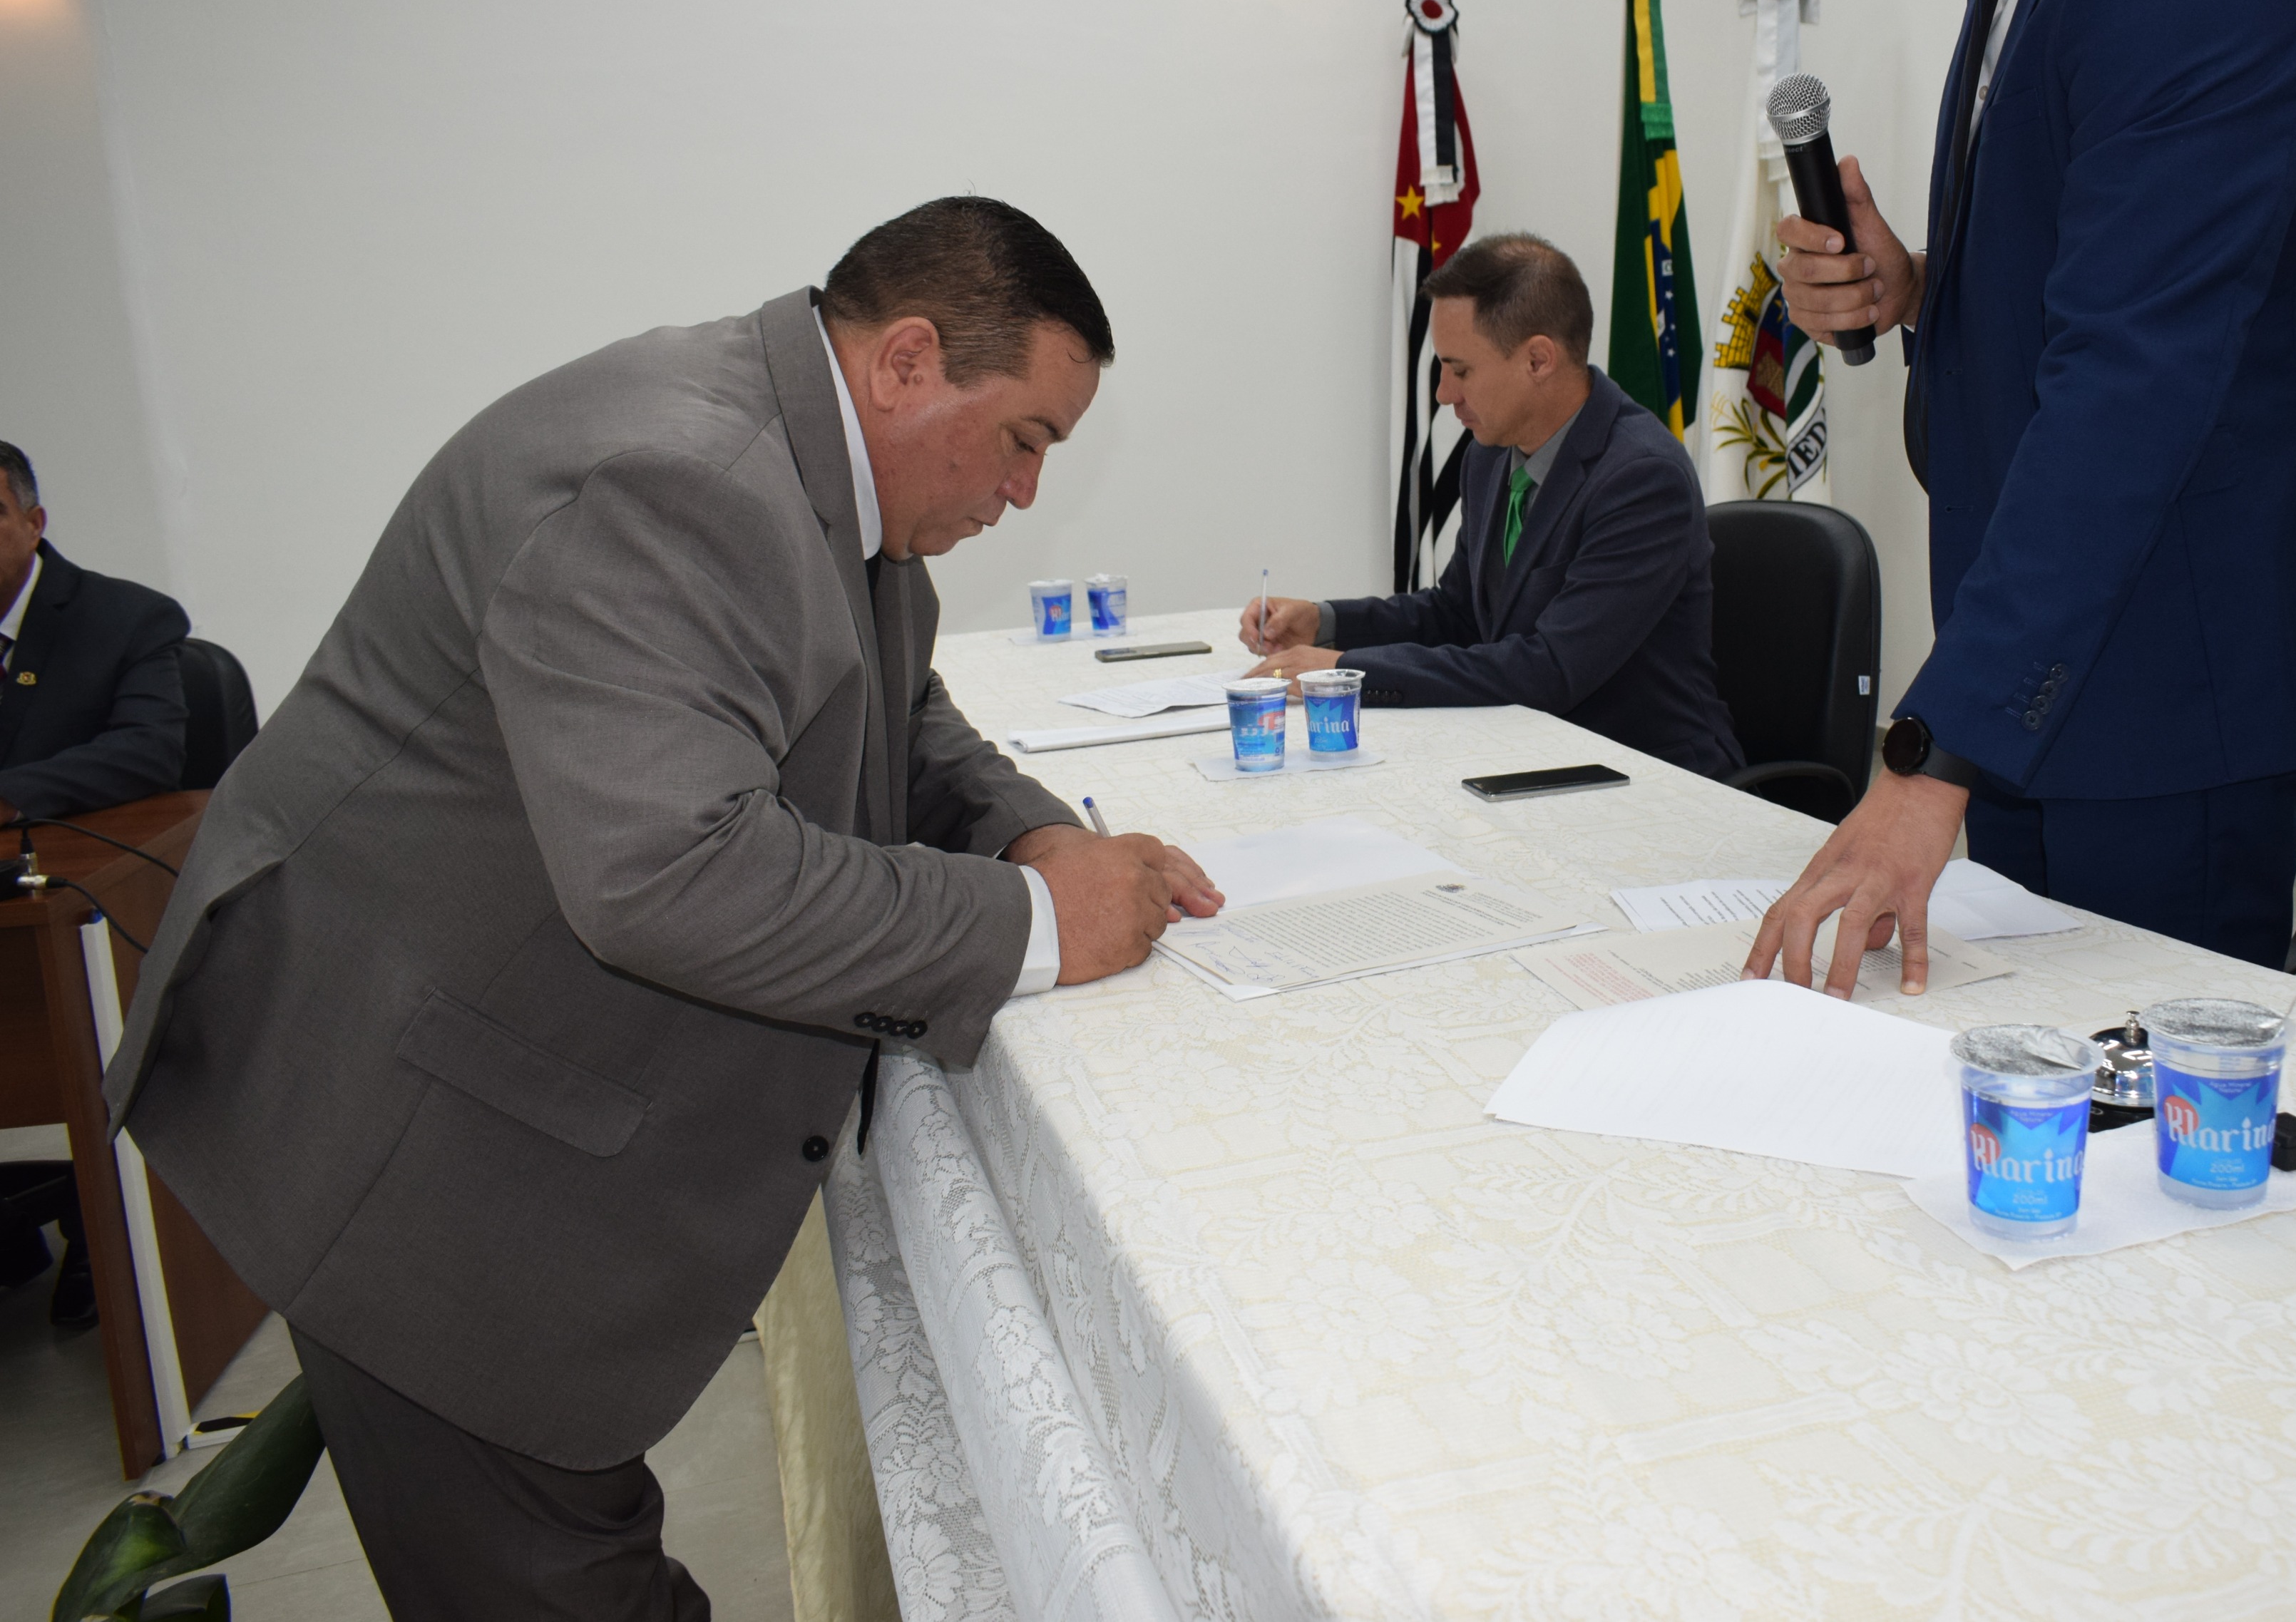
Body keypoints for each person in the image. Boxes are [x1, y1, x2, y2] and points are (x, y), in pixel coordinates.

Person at [102, 197, 1224, 1620]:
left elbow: (892, 715)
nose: (1025, 490)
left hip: (478, 1076)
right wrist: (1036, 924)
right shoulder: (673, 481)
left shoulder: (819, 473)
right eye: (1024, 438)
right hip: (416, 1147)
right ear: (907, 361)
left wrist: (1035, 836)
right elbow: (672, 874)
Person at [1750, 0, 2296, 990]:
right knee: (2014, 1068)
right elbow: (2088, 277)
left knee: (2133, 1086)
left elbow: (2138, 375)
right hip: (2043, 678)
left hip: (2161, 688)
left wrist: (1931, 752)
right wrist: (1914, 289)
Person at [1243, 234, 1743, 779]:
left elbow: (1550, 668)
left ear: (1538, 359)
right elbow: (1458, 613)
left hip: (1651, 779)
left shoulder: (1643, 478)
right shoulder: (1489, 456)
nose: (1443, 394)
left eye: (1460, 370)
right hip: (1529, 757)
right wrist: (1327, 621)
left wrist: (1343, 670)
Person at [0, 442, 191, 826]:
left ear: (34, 524)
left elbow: (149, 751)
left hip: (78, 850)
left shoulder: (131, 618)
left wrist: (9, 796)